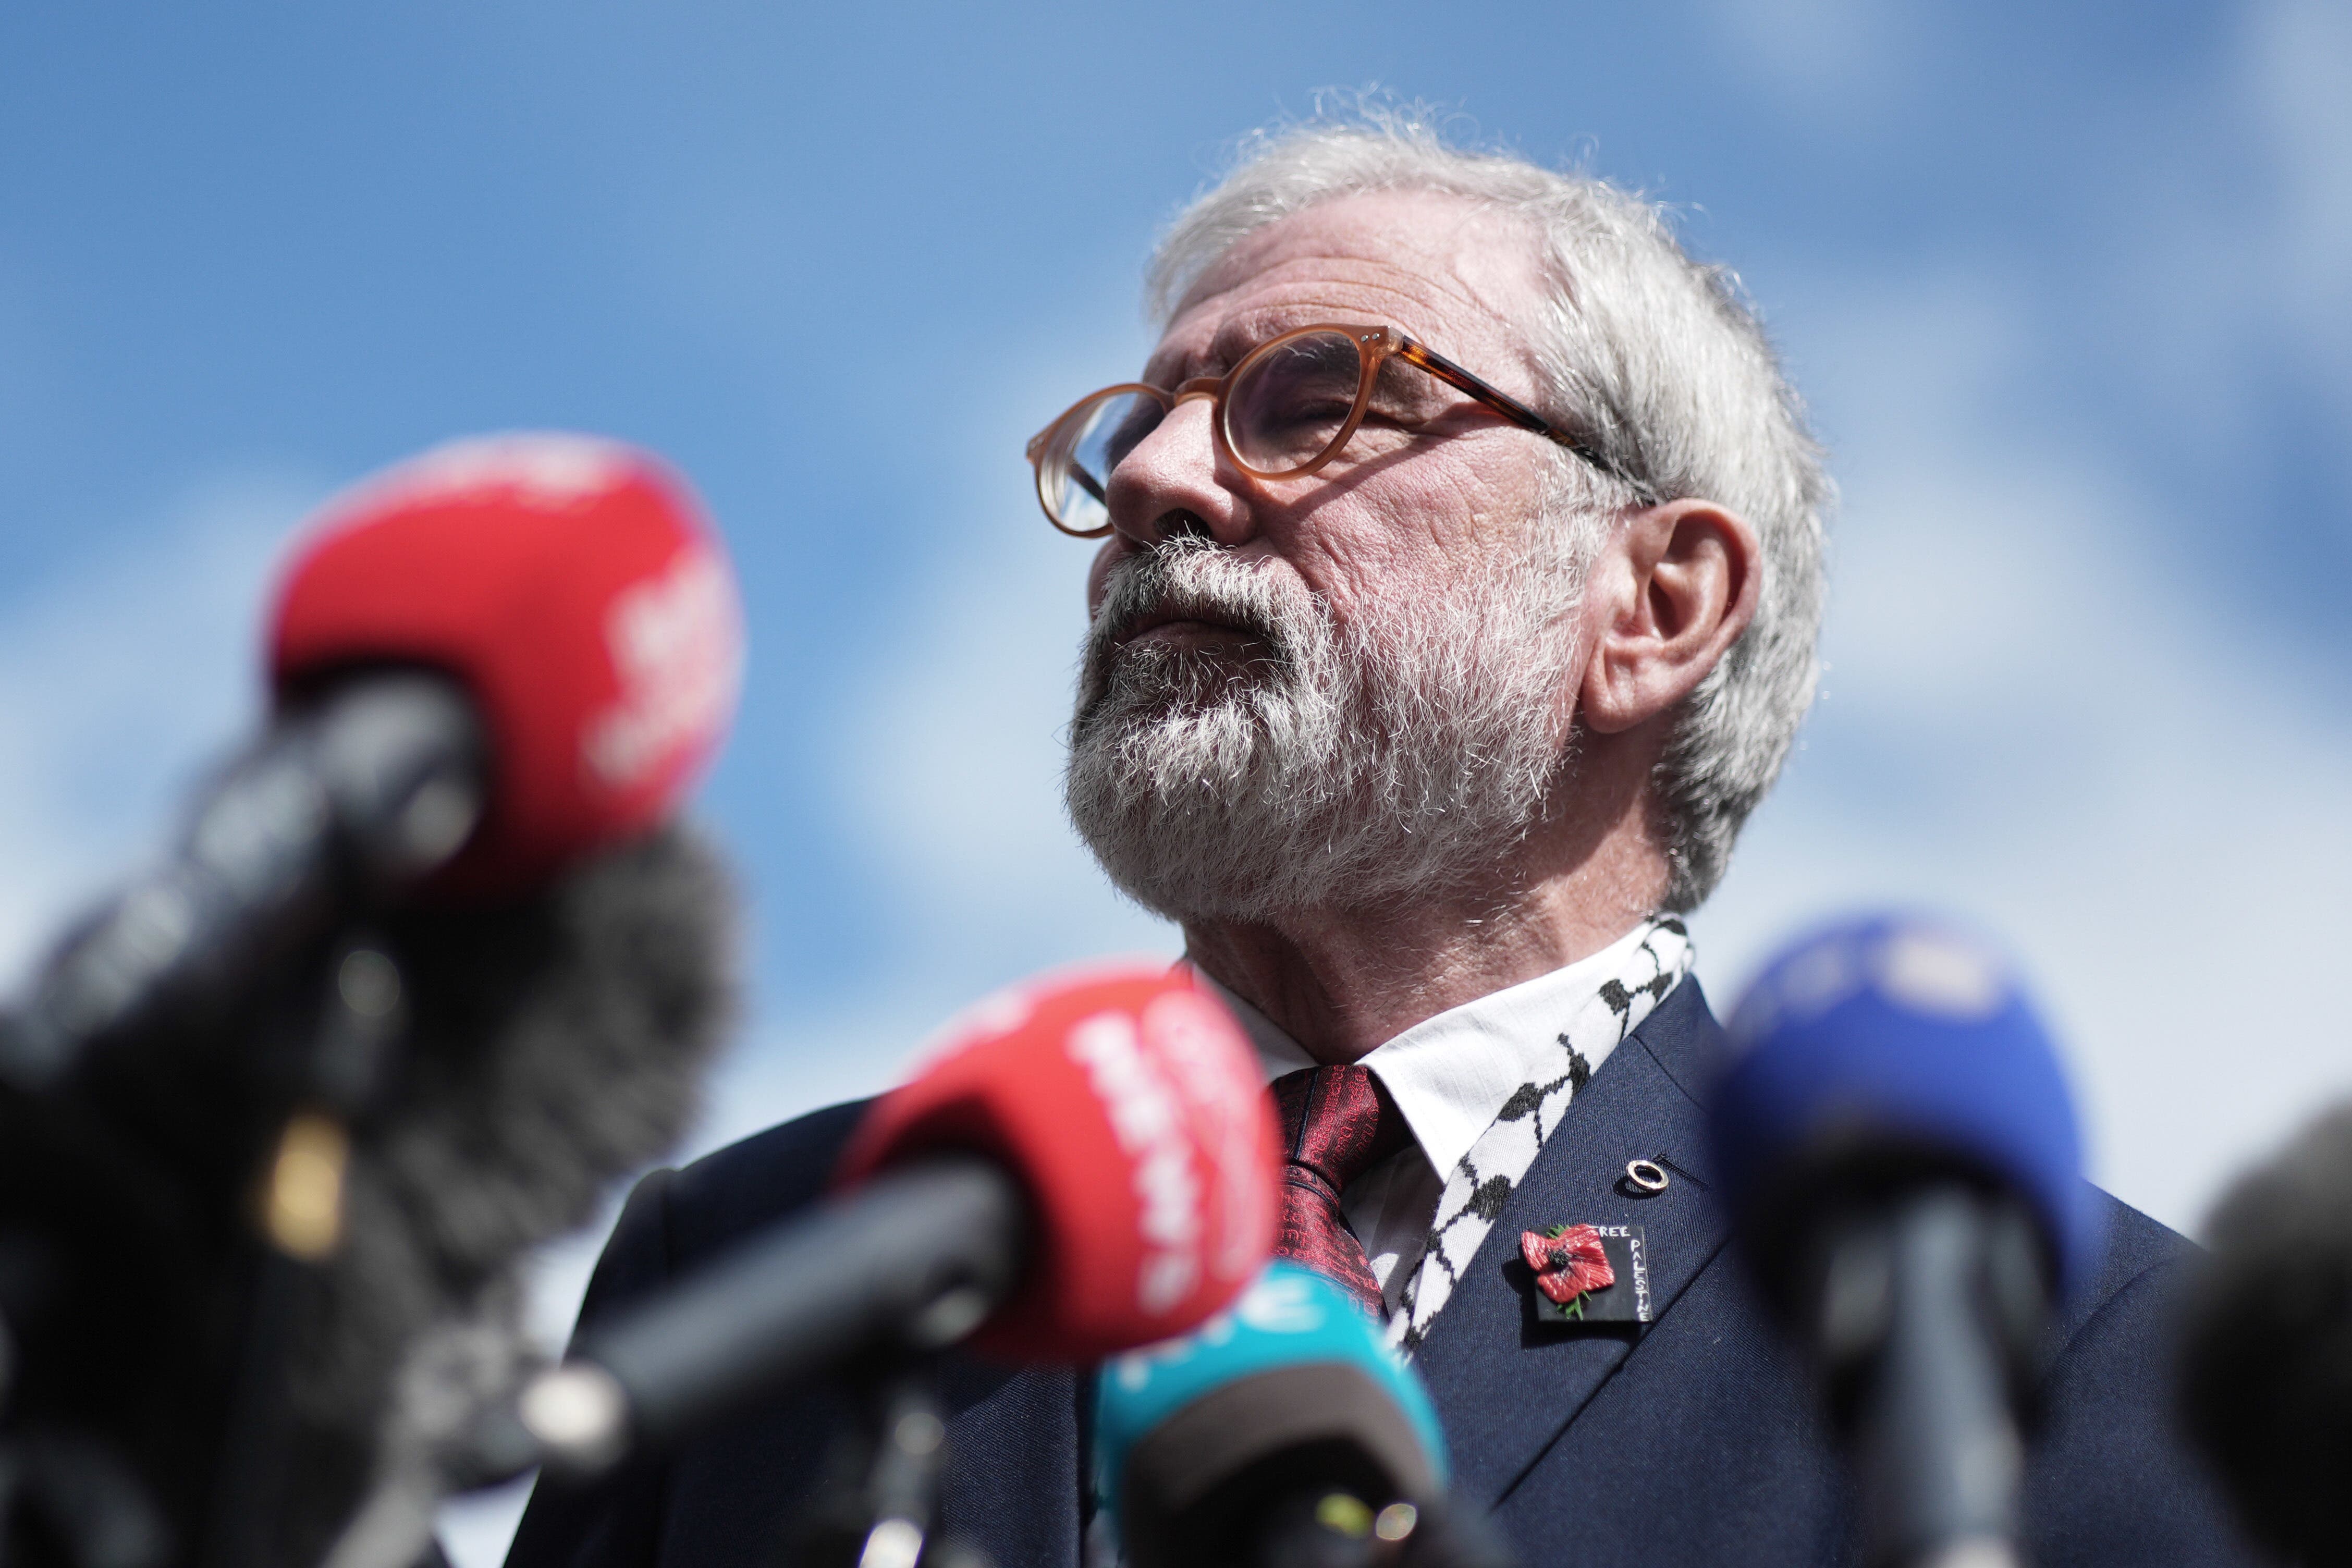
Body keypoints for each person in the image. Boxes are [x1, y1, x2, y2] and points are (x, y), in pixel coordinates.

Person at [505, 112, 2258, 1568]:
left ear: (1653, 604)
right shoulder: (764, 1264)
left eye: (1315, 397)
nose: (1158, 478)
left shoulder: (2074, 1371)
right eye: (1142, 423)